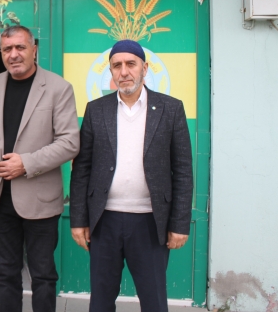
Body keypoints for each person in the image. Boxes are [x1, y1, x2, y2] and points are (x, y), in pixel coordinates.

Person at [69, 39, 193, 312]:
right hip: (104, 220)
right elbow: (82, 168)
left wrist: (180, 223)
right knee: (100, 301)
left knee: (154, 301)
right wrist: (78, 220)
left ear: (144, 68)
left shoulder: (171, 108)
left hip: (151, 222)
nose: (124, 71)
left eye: (130, 64)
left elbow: (183, 169)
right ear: (111, 72)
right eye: (117, 66)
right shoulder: (96, 109)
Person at [0, 25, 80, 312]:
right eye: (7, 49)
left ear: (34, 50)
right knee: (5, 275)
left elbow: (70, 142)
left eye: (20, 47)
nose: (13, 54)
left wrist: (26, 163)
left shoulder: (58, 87)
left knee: (43, 276)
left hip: (40, 200)